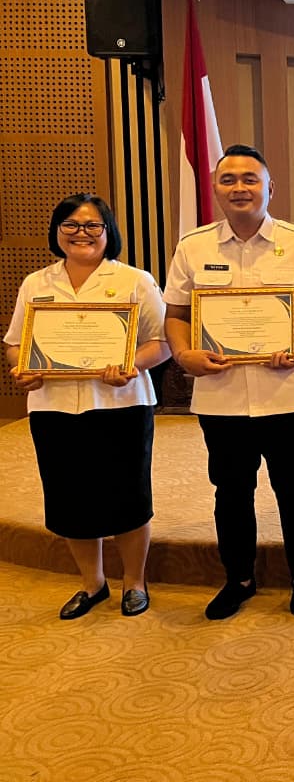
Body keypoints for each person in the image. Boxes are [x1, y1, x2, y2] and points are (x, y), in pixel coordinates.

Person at [163, 144, 294, 620]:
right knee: (231, 493)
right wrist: (183, 354)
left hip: (286, 394)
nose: (239, 187)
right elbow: (176, 314)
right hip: (220, 398)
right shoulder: (193, 246)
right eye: (228, 179)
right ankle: (238, 580)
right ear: (215, 188)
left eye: (250, 179)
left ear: (269, 187)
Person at [4, 195, 170, 619]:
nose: (82, 233)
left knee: (128, 496)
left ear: (108, 231)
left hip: (121, 405)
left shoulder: (135, 280)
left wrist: (132, 365)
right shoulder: (36, 283)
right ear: (57, 231)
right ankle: (93, 585)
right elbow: (15, 344)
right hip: (54, 409)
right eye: (71, 225)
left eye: (93, 225)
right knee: (69, 499)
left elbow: (162, 343)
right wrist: (23, 369)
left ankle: (134, 582)